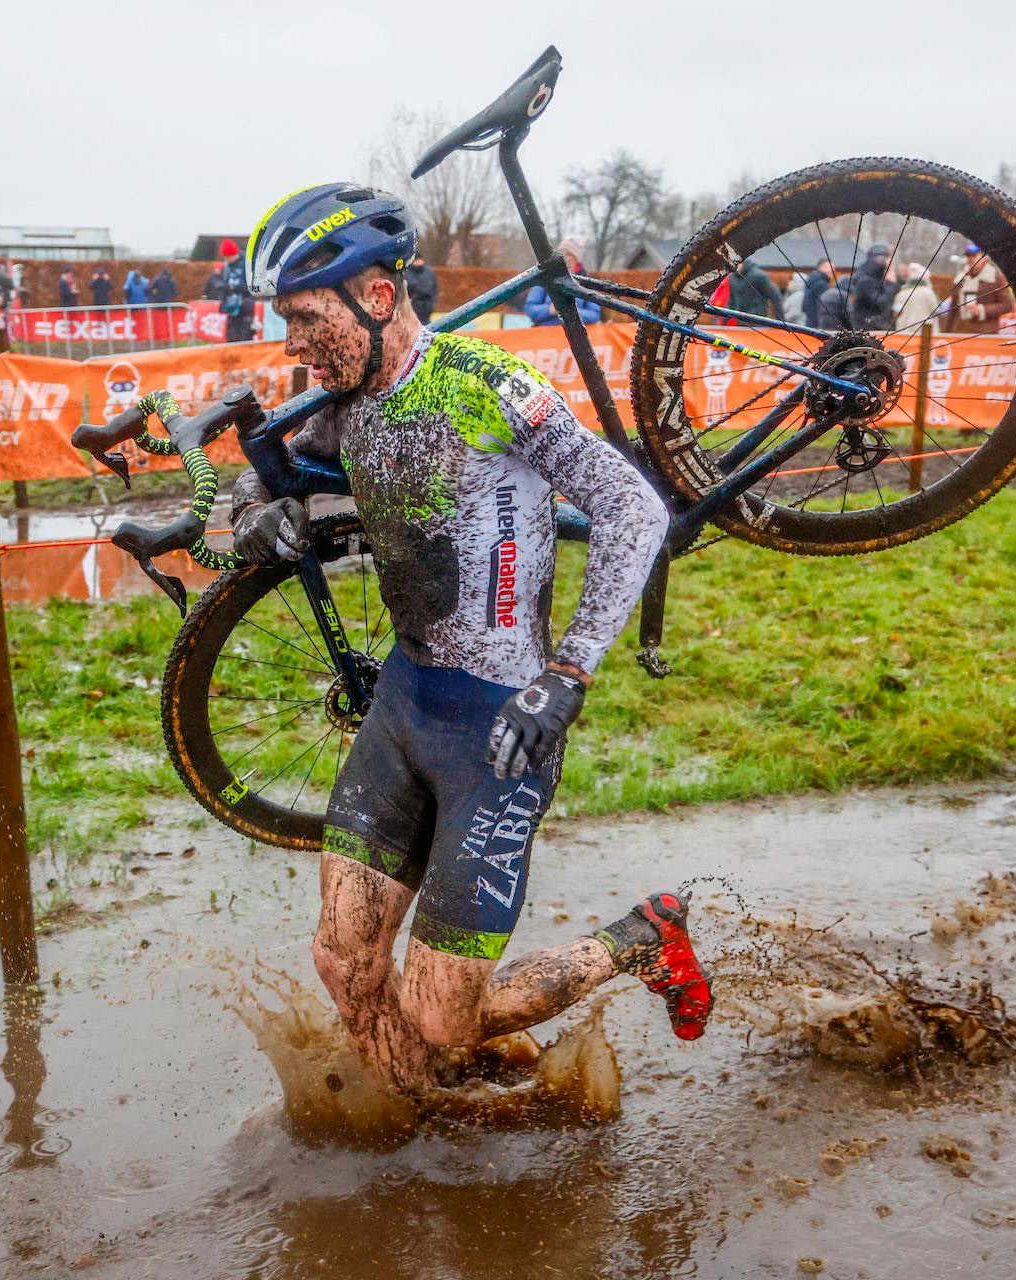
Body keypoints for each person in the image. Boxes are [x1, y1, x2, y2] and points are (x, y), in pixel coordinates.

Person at [227, 182, 708, 1091]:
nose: (289, 342)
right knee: (345, 965)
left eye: (300, 317)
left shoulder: (489, 387)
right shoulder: (339, 400)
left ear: (375, 297)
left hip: (500, 732)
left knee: (444, 1013)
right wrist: (256, 511)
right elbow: (271, 479)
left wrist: (568, 674)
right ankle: (419, 1130)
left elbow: (633, 507)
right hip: (405, 707)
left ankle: (645, 940)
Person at [520, 237, 601, 325]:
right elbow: (529, 308)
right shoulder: (545, 279)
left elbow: (595, 315)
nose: (565, 258)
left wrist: (571, 311)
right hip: (544, 334)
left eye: (569, 254)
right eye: (561, 254)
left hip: (577, 336)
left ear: (577, 259)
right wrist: (550, 309)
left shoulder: (586, 283)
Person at [950, 243, 1011, 333]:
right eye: (968, 256)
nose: (970, 259)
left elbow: (1007, 305)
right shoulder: (960, 279)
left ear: (985, 257)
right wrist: (946, 334)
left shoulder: (995, 277)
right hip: (960, 333)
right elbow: (952, 311)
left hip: (985, 335)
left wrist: (982, 310)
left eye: (974, 256)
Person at [848, 244, 899, 330]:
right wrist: (891, 284)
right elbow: (880, 304)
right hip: (868, 331)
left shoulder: (877, 278)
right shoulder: (866, 280)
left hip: (875, 328)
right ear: (879, 259)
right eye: (888, 257)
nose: (891, 261)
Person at [213, 238, 255, 341]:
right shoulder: (227, 267)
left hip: (245, 306)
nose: (227, 259)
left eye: (228, 256)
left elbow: (253, 286)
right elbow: (221, 281)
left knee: (244, 337)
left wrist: (236, 287)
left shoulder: (247, 263)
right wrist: (222, 287)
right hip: (232, 308)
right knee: (231, 337)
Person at [892, 262, 941, 332]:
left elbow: (896, 313)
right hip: (925, 333)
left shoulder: (901, 293)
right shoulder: (928, 292)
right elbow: (936, 309)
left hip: (904, 333)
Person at [404, 251, 439, 324]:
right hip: (413, 305)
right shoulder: (407, 273)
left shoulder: (428, 271)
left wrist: (433, 302)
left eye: (419, 260)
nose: (418, 262)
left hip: (427, 306)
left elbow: (434, 287)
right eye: (416, 260)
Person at [800, 258, 833, 326]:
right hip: (818, 323)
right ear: (822, 267)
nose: (833, 270)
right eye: (830, 267)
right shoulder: (821, 284)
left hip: (810, 320)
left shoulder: (812, 280)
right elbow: (822, 306)